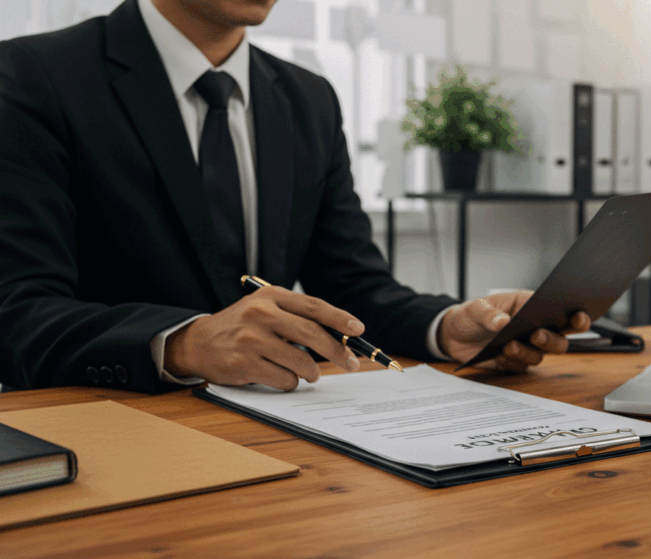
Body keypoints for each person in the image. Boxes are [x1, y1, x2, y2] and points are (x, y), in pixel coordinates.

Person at [0, 0, 590, 393]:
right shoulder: (32, 76)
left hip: (281, 432)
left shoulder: (308, 99)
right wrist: (183, 343)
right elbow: (18, 312)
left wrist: (446, 327)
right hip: (117, 437)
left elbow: (355, 289)